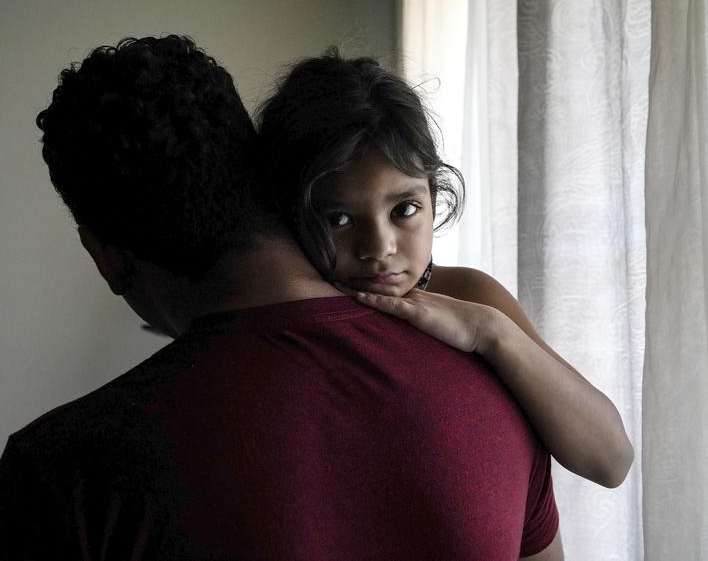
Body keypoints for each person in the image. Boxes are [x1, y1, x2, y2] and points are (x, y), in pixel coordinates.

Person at [0, 35, 562, 559]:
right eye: (342, 218)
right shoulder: (494, 377)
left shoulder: (63, 472)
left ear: (104, 253)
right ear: (268, 185)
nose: (379, 246)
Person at [255, 50, 634, 490]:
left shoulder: (469, 294)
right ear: (287, 215)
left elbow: (611, 460)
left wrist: (490, 331)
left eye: (405, 209)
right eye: (339, 219)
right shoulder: (282, 322)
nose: (379, 248)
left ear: (435, 198)